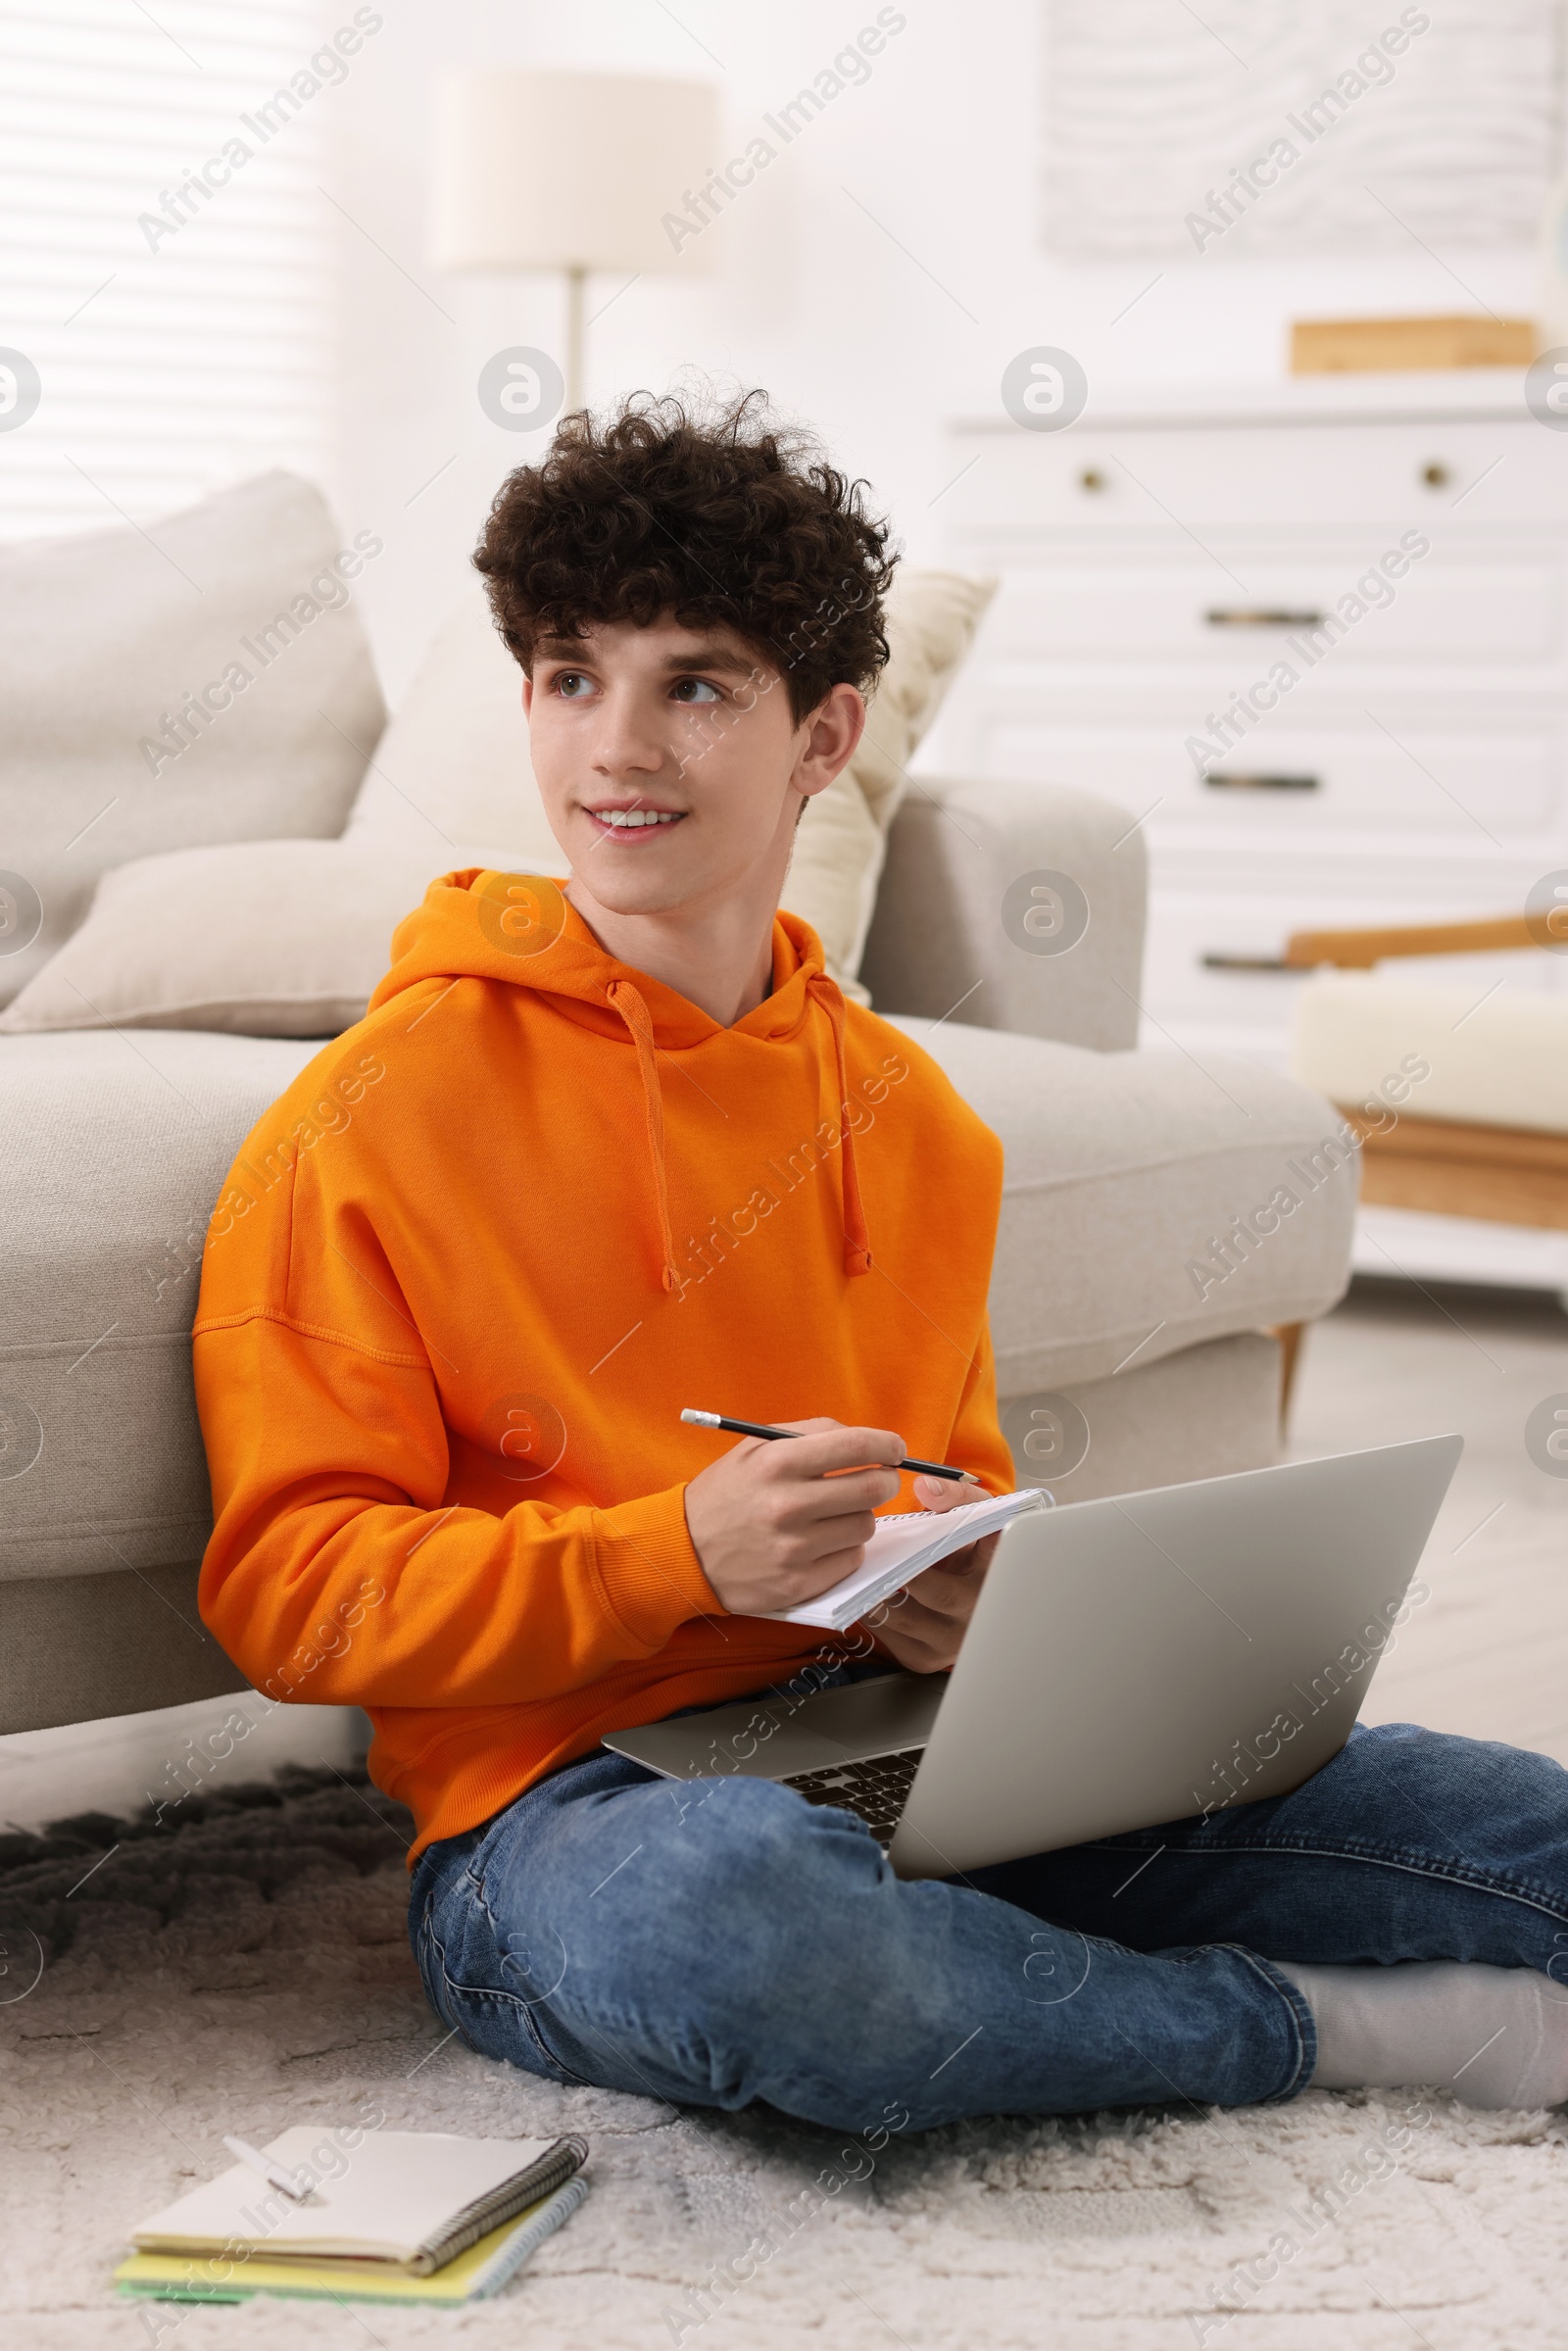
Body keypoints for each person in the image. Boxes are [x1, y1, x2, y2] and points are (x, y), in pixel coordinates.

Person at [195, 393, 1568, 2130]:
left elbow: (953, 1488)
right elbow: (296, 1596)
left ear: (825, 734)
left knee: (1526, 1834)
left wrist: (971, 1603)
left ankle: (1011, 1964)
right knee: (752, 1932)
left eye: (694, 685)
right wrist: (673, 1555)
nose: (615, 747)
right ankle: (1326, 2030)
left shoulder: (915, 1120)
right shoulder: (365, 1118)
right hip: (577, 1814)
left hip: (923, 1756)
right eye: (570, 676)